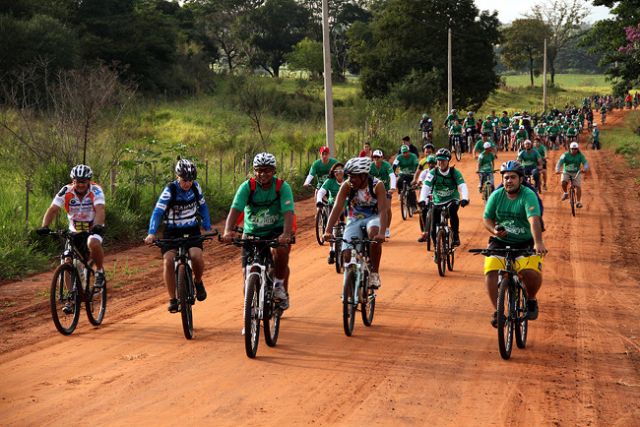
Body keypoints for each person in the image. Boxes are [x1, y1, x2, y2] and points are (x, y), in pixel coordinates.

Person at [222, 153, 295, 310]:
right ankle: (250, 313)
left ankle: (279, 286)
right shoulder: (247, 187)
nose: (263, 174)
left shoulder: (282, 187)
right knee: (246, 275)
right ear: (254, 171)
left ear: (274, 171)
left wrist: (286, 234)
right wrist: (228, 230)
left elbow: (288, 212)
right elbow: (235, 210)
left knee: (280, 252)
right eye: (259, 170)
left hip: (275, 231)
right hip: (251, 233)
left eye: (267, 170)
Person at [482, 160, 548, 327]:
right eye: (505, 178)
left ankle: (531, 299)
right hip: (500, 241)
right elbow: (487, 218)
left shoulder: (528, 195)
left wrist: (538, 242)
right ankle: (498, 311)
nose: (508, 181)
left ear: (521, 179)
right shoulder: (496, 195)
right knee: (490, 271)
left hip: (525, 241)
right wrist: (494, 231)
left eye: (512, 177)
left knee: (530, 272)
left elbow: (534, 220)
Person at [144, 159, 212, 312]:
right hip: (172, 231)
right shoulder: (170, 190)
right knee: (168, 261)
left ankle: (198, 281)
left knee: (196, 256)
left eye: (190, 180)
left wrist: (207, 227)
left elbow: (203, 207)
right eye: (184, 180)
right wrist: (151, 233)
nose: (187, 183)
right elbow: (158, 212)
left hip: (192, 229)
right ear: (177, 177)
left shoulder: (195, 188)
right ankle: (172, 298)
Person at [37, 164, 107, 292]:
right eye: (77, 182)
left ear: (89, 181)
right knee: (66, 260)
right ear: (72, 181)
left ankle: (100, 272)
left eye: (83, 182)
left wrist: (97, 226)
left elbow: (100, 209)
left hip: (93, 228)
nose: (80, 185)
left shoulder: (95, 190)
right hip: (74, 230)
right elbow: (53, 209)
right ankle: (71, 297)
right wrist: (45, 226)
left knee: (93, 242)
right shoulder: (66, 191)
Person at [324, 157, 387, 288]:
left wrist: (382, 234)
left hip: (373, 217)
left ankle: (374, 273)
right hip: (354, 218)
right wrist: (328, 230)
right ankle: (352, 291)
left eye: (354, 177)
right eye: (349, 176)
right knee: (347, 255)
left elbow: (382, 210)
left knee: (373, 234)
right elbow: (337, 207)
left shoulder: (377, 185)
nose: (350, 180)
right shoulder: (347, 185)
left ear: (364, 176)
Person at [418, 148, 469, 248]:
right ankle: (437, 248)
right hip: (437, 201)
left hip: (452, 199)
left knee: (452, 210)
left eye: (443, 160)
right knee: (433, 229)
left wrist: (465, 198)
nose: (440, 162)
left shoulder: (454, 172)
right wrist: (422, 199)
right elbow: (426, 186)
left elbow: (462, 185)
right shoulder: (432, 173)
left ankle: (455, 235)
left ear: (448, 161)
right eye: (438, 160)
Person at [317, 162, 345, 264]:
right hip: (332, 206)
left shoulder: (348, 181)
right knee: (332, 227)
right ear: (333, 173)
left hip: (346, 207)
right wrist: (319, 201)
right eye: (336, 172)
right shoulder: (330, 181)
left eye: (341, 171)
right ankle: (332, 250)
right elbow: (321, 191)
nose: (339, 173)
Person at [370, 149, 396, 238]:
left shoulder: (386, 165)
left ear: (382, 158)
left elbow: (392, 176)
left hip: (386, 190)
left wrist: (392, 188)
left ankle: (387, 228)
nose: (376, 159)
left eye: (378, 157)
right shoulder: (370, 166)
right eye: (374, 157)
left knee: (387, 209)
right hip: (373, 190)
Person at [556, 142, 589, 208]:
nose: (574, 150)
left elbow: (585, 163)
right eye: (572, 149)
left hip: (576, 172)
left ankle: (578, 202)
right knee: (563, 182)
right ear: (570, 149)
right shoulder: (565, 155)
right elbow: (559, 162)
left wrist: (585, 168)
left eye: (575, 149)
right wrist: (557, 169)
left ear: (577, 149)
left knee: (578, 186)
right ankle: (565, 193)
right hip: (566, 172)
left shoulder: (580, 155)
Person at [392, 144, 419, 211]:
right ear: (401, 153)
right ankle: (400, 192)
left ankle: (413, 207)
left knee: (411, 189)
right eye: (404, 153)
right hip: (402, 174)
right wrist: (393, 173)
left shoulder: (413, 156)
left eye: (406, 152)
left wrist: (416, 173)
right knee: (398, 181)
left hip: (411, 174)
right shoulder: (399, 157)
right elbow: (394, 165)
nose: (405, 154)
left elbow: (417, 165)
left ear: (409, 151)